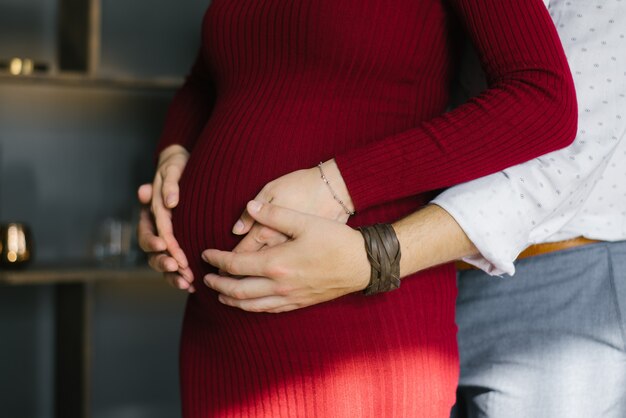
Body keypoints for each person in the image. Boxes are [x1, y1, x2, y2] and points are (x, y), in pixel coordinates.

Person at [140, 0, 625, 416]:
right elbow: (208, 77)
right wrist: (173, 160)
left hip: (356, 310)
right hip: (216, 327)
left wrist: (340, 187)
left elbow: (546, 103)